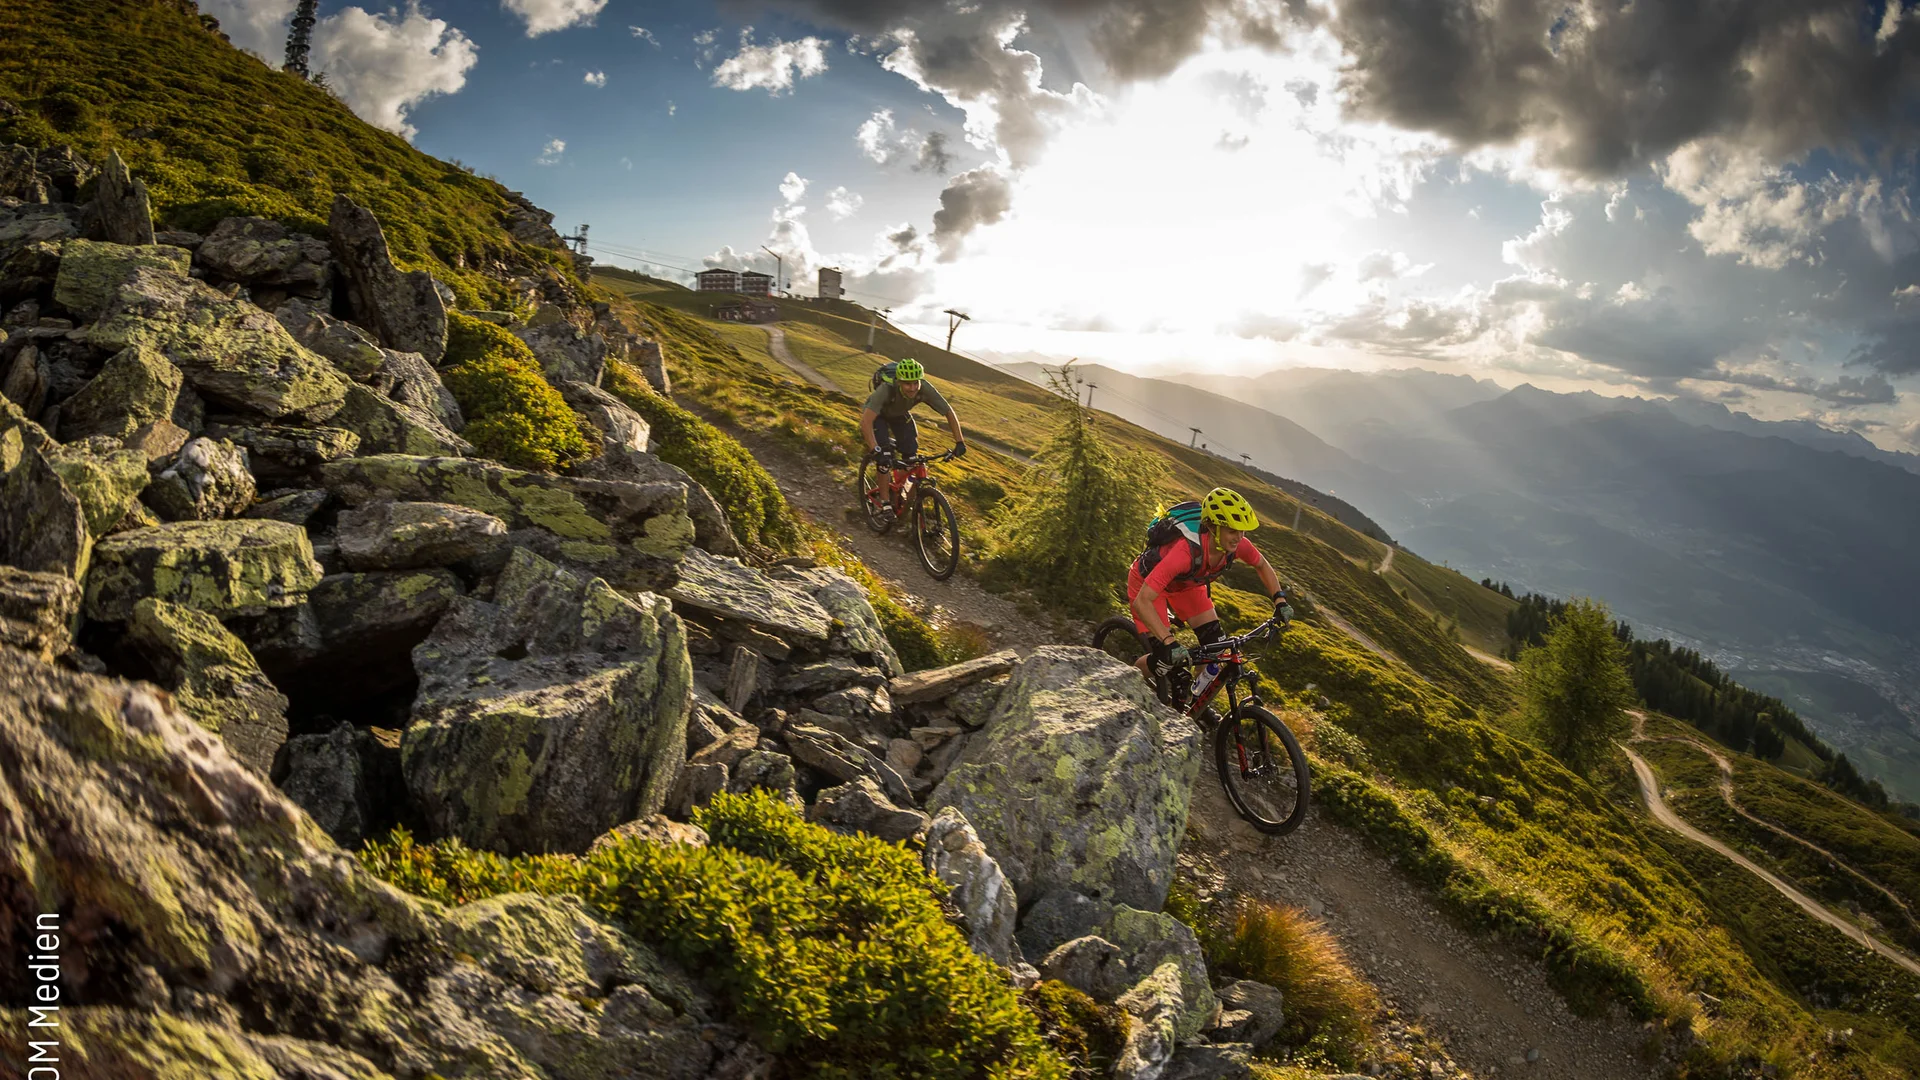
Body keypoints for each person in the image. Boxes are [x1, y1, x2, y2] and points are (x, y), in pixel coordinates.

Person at [1128, 487, 1293, 700]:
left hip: (1186, 586)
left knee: (1215, 649)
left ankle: (1196, 701)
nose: (1239, 537)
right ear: (1213, 527)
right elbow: (1143, 601)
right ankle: (1126, 677)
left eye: (1242, 531)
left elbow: (1261, 564)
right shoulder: (1184, 552)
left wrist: (1279, 600)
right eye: (1232, 531)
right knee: (1164, 660)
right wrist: (1169, 642)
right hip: (1147, 587)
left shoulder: (1236, 544)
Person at [861, 357, 967, 511]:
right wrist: (875, 450)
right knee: (883, 458)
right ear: (899, 382)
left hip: (899, 415)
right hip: (877, 417)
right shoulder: (886, 390)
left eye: (915, 383)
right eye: (907, 383)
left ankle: (900, 494)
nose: (912, 388)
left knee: (912, 459)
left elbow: (949, 412)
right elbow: (866, 422)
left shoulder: (924, 388)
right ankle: (885, 503)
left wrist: (959, 442)